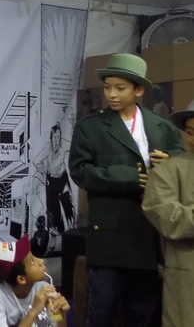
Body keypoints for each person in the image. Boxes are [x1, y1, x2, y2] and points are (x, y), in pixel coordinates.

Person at [68, 53, 183, 327]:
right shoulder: (90, 128)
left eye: (120, 88)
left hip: (149, 235)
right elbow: (79, 171)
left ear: (138, 90)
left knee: (143, 312)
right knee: (101, 311)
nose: (111, 94)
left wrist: (170, 163)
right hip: (108, 237)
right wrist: (129, 176)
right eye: (107, 87)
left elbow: (183, 164)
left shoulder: (162, 127)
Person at [142, 99, 194, 327]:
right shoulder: (168, 171)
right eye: (190, 132)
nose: (192, 139)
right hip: (186, 279)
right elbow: (165, 215)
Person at [0, 234, 70, 327]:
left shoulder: (43, 288)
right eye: (32, 261)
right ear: (21, 279)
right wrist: (34, 310)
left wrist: (61, 315)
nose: (41, 261)